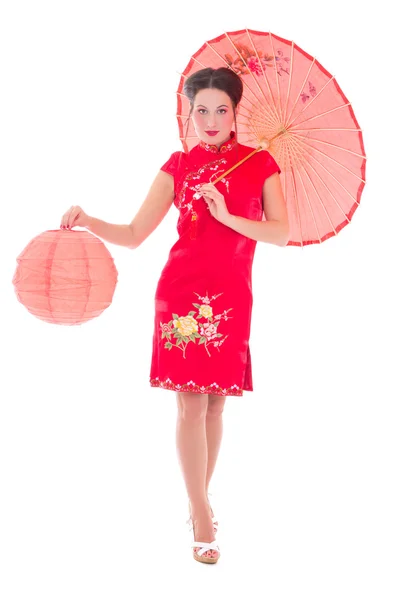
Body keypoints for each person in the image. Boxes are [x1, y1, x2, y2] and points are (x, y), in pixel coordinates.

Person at [60, 67, 289, 565]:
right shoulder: (179, 165)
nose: (210, 119)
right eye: (200, 109)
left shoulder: (261, 163)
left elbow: (280, 232)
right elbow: (136, 231)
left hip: (231, 296)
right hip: (182, 293)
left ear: (235, 113)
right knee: (189, 403)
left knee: (215, 406)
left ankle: (195, 499)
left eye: (221, 110)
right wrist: (90, 220)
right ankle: (203, 514)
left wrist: (227, 215)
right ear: (188, 112)